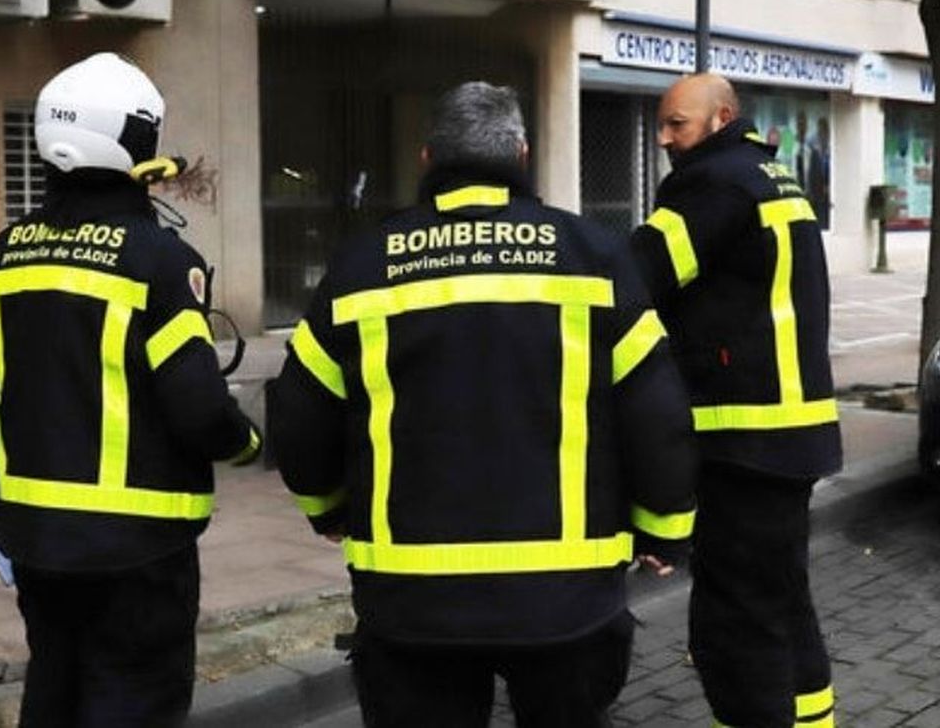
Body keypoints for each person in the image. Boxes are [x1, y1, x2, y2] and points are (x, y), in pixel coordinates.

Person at [268, 81, 697, 727]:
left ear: (426, 159)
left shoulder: (363, 265)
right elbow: (657, 412)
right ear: (522, 154)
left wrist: (326, 507)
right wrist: (664, 527)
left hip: (411, 604)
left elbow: (300, 410)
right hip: (568, 600)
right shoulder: (593, 256)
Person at [0, 52, 260, 728]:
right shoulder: (159, 262)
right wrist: (250, 443)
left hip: (32, 538)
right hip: (141, 545)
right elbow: (199, 407)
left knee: (53, 690)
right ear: (136, 144)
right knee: (134, 700)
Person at [631, 73, 843, 728]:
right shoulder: (771, 177)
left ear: (721, 118)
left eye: (677, 125)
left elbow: (637, 274)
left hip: (742, 439)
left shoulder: (714, 183)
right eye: (663, 125)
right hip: (791, 433)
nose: (665, 140)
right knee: (783, 600)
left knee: (733, 622)